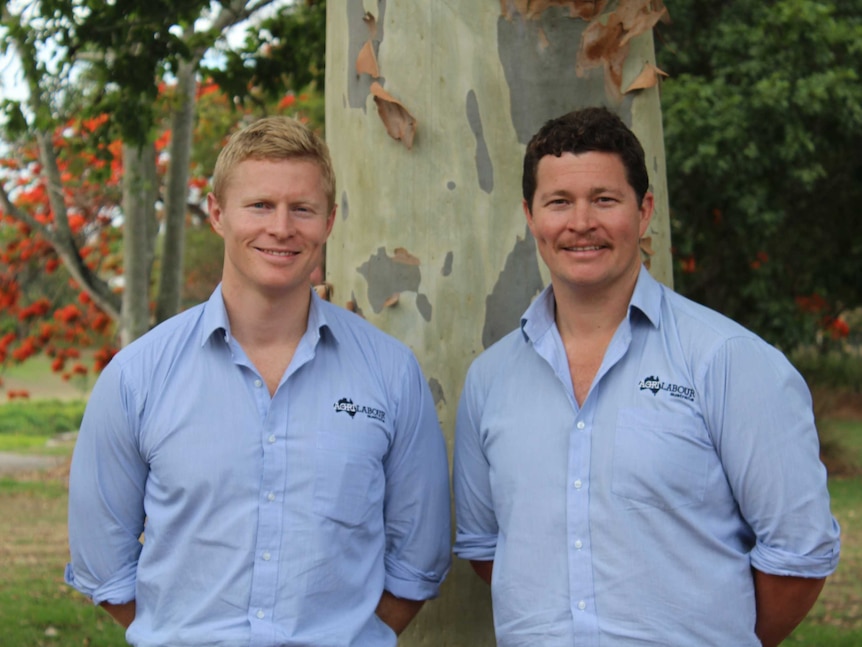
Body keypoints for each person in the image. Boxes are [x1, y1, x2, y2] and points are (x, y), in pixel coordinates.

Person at [453, 107, 840, 647]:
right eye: (559, 201)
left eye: (605, 200)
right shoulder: (490, 379)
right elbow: (488, 550)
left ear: (645, 210)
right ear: (530, 214)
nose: (581, 222)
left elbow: (798, 557)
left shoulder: (730, 361)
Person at [65, 116, 452, 647]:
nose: (282, 227)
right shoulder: (137, 377)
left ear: (330, 220)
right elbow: (104, 566)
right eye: (260, 206)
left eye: (303, 209)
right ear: (219, 214)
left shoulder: (390, 374)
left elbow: (417, 560)